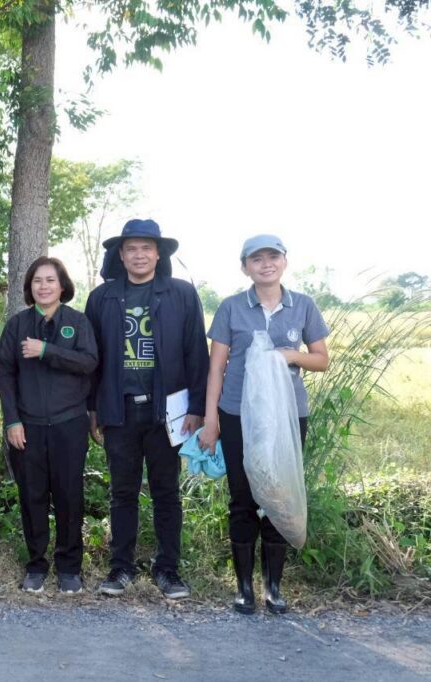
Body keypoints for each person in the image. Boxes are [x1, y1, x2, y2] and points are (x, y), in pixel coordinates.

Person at [198, 235, 329, 615]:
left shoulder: (303, 306)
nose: (266, 264)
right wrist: (211, 420)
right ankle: (243, 588)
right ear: (245, 268)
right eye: (256, 259)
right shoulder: (231, 308)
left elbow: (322, 359)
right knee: (242, 498)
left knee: (279, 495)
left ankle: (273, 587)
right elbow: (216, 368)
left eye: (273, 257)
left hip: (287, 416)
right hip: (237, 414)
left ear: (284, 262)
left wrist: (290, 355)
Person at [85, 219, 208, 600]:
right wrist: (93, 409)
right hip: (118, 410)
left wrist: (198, 407)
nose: (139, 255)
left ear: (158, 254)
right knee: (122, 492)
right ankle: (121, 567)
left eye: (146, 248)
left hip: (167, 412)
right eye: (131, 249)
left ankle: (168, 569)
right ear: (121, 255)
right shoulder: (102, 298)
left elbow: (196, 354)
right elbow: (92, 359)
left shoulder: (181, 294)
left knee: (166, 492)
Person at [0, 257, 98, 595]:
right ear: (29, 287)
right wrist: (12, 420)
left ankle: (69, 568)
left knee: (70, 496)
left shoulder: (77, 322)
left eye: (50, 280)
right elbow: (5, 374)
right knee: (32, 497)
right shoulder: (17, 325)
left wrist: (47, 351)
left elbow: (89, 362)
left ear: (62, 285)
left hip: (70, 423)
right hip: (28, 426)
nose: (44, 286)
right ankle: (36, 566)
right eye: (37, 281)